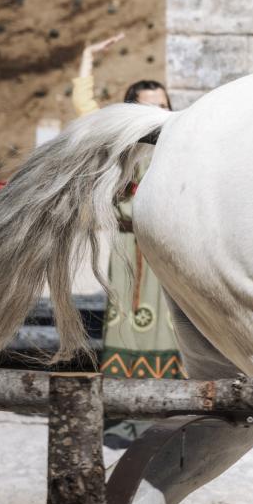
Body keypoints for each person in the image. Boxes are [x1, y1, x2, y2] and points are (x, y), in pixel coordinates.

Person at [72, 33, 182, 448]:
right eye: (148, 106)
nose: (158, 112)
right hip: (128, 249)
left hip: (170, 249)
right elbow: (86, 112)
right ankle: (122, 418)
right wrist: (86, 60)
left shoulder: (179, 139)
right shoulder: (119, 142)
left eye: (163, 105)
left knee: (174, 331)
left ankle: (169, 416)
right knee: (127, 330)